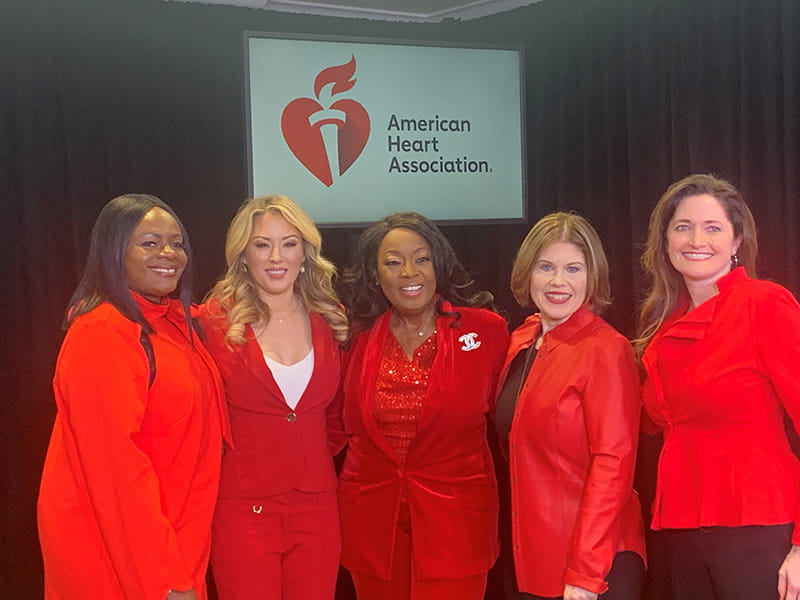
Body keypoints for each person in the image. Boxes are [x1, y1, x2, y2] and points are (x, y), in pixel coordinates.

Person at [38, 194, 229, 600]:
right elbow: (116, 473)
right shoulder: (102, 334)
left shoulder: (171, 323)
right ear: (113, 250)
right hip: (121, 559)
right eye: (150, 242)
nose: (169, 254)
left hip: (176, 538)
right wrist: (165, 580)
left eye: (177, 243)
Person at [635, 173, 800, 600]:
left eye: (713, 228)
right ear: (666, 241)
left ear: (736, 242)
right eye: (683, 227)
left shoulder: (763, 304)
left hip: (757, 529)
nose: (696, 240)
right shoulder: (663, 331)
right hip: (681, 530)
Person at [336, 212, 509, 600]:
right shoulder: (355, 339)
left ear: (439, 265)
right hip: (373, 526)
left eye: (421, 258)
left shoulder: (486, 331)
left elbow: (513, 417)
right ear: (375, 274)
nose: (408, 272)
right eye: (393, 262)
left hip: (457, 524)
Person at [197, 195, 348, 600]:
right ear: (243, 255)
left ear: (305, 252)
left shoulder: (329, 315)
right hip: (243, 507)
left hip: (317, 505)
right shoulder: (210, 321)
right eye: (262, 244)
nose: (276, 256)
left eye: (289, 243)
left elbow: (336, 414)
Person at [495, 212, 645, 600]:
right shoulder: (523, 339)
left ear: (591, 278)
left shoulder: (606, 349)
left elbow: (613, 466)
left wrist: (585, 573)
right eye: (546, 267)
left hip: (593, 564)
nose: (558, 281)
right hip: (531, 558)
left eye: (573, 268)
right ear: (528, 274)